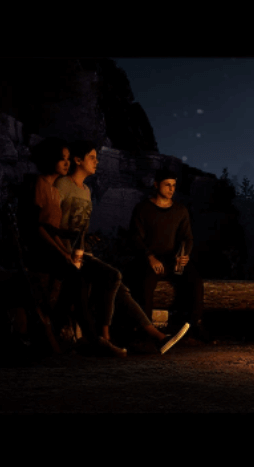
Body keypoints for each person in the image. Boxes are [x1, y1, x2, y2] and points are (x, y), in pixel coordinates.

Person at [55, 141, 189, 355]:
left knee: (121, 289)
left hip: (83, 253)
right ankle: (106, 338)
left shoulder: (86, 190)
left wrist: (88, 239)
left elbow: (78, 226)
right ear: (78, 160)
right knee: (114, 277)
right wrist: (64, 250)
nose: (97, 161)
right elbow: (54, 223)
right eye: (92, 158)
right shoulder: (62, 185)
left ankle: (158, 337)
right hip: (67, 254)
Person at [24, 137, 127, 356]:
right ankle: (93, 339)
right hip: (40, 252)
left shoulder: (53, 190)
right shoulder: (40, 185)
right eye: (62, 159)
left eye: (68, 159)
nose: (67, 163)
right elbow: (37, 227)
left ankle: (56, 329)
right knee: (78, 279)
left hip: (56, 249)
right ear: (50, 160)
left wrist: (70, 245)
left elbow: (53, 229)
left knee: (85, 277)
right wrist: (62, 252)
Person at [125, 168, 208, 342]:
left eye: (174, 185)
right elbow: (135, 237)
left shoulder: (180, 210)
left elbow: (187, 238)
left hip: (173, 259)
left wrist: (184, 255)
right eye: (167, 185)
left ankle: (193, 326)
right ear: (156, 185)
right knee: (145, 284)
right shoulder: (143, 208)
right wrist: (149, 257)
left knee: (195, 280)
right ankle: (145, 331)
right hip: (151, 259)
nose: (171, 189)